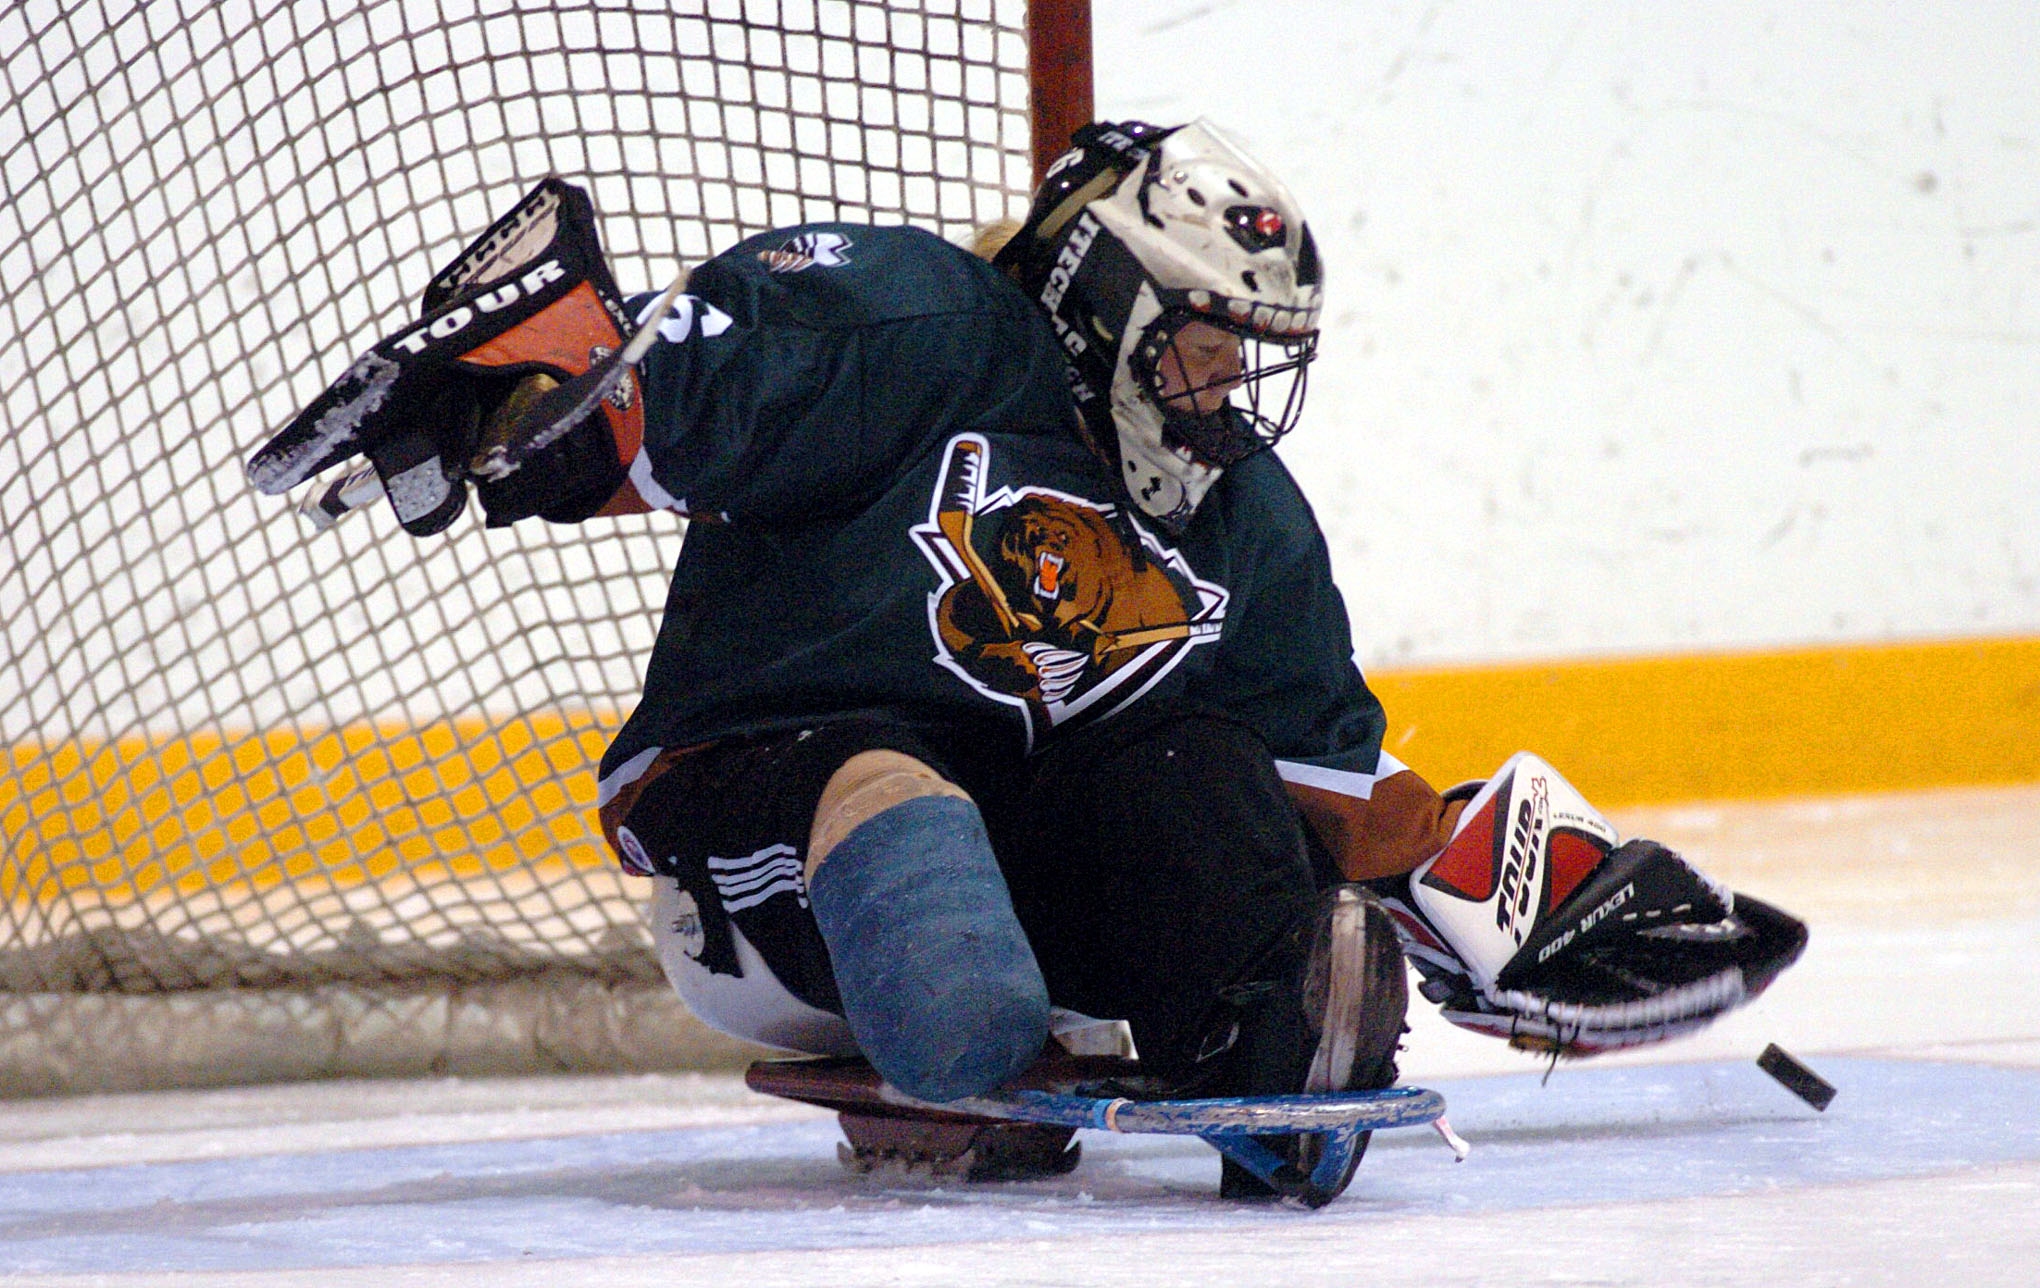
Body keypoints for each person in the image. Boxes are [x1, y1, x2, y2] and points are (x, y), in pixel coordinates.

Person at [248, 120, 1805, 1203]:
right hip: (766, 823)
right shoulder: (921, 331)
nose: (1223, 381)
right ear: (1101, 293)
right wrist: (545, 389)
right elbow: (679, 396)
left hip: (1026, 819)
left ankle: (1268, 1052)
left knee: (1203, 786)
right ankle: (957, 1036)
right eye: (1201, 334)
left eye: (1248, 351)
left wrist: (1526, 888)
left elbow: (1332, 782)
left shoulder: (1243, 524)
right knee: (914, 843)